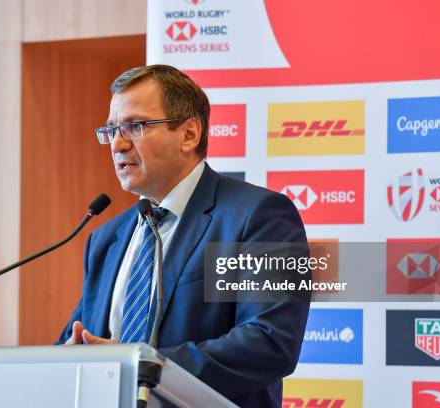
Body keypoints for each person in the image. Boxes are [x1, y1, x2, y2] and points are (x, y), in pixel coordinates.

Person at [56, 64, 309, 407]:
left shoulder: (260, 216)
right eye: (111, 129)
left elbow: (270, 343)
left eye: (134, 126)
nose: (116, 144)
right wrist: (68, 358)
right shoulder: (106, 239)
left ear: (189, 134)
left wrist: (140, 367)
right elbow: (76, 341)